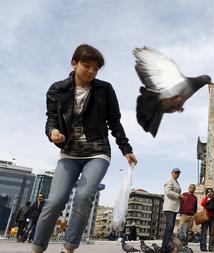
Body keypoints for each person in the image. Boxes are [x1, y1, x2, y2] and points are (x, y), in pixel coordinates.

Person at [32, 44, 137, 253]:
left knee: (83, 195)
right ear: (74, 63)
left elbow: (114, 122)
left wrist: (126, 148)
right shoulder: (57, 89)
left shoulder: (104, 90)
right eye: (87, 66)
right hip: (69, 153)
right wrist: (53, 133)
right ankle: (37, 248)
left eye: (96, 68)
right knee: (54, 202)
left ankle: (68, 248)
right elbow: (51, 119)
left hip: (97, 152)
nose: (91, 72)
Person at [162, 168, 185, 253]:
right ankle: (166, 246)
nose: (177, 174)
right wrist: (178, 196)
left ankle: (166, 245)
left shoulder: (176, 182)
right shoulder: (170, 181)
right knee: (169, 227)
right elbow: (167, 191)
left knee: (170, 227)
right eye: (176, 173)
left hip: (174, 208)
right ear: (172, 173)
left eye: (178, 173)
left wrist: (180, 198)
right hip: (169, 207)